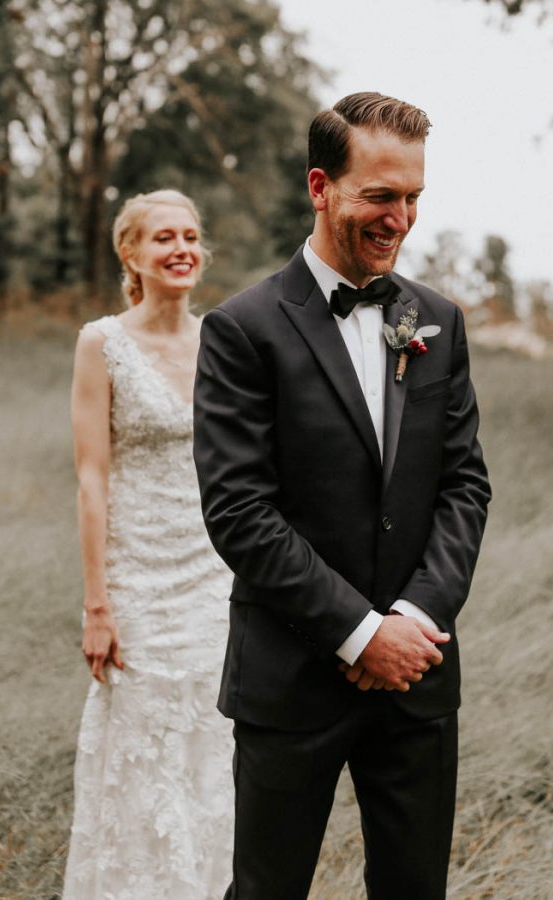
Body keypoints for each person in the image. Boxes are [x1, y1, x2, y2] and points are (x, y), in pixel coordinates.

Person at [193, 93, 492, 900]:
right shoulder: (242, 328)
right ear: (321, 187)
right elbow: (239, 512)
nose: (400, 219)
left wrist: (413, 621)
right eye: (380, 196)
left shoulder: (439, 322)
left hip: (419, 675)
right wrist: (360, 634)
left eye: (413, 199)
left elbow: (464, 483)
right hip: (292, 677)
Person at [63, 189, 234, 899]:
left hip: (215, 581)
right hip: (137, 584)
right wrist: (97, 604)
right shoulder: (101, 342)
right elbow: (92, 478)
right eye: (163, 237)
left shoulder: (226, 340)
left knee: (212, 759)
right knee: (141, 760)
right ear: (130, 252)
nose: (181, 249)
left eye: (191, 236)